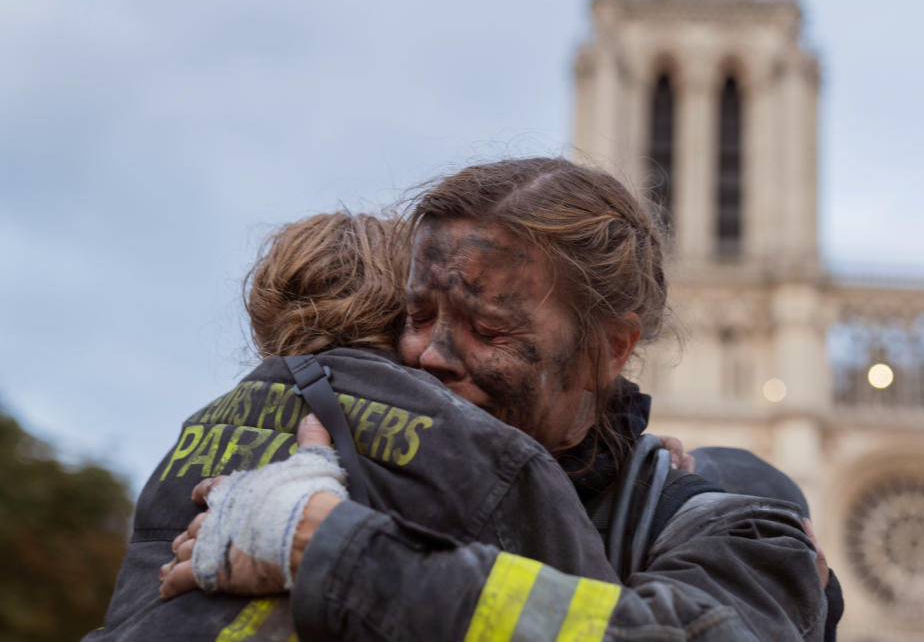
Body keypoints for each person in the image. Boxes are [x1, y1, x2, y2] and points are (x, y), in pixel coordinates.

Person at [163, 158, 832, 640]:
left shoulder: (728, 524)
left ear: (608, 351)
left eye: (488, 330)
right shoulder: (321, 472)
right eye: (418, 315)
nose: (429, 354)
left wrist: (340, 553)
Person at [88, 212, 618, 641]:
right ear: (406, 305)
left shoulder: (194, 433)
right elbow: (599, 616)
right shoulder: (485, 448)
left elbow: (136, 604)